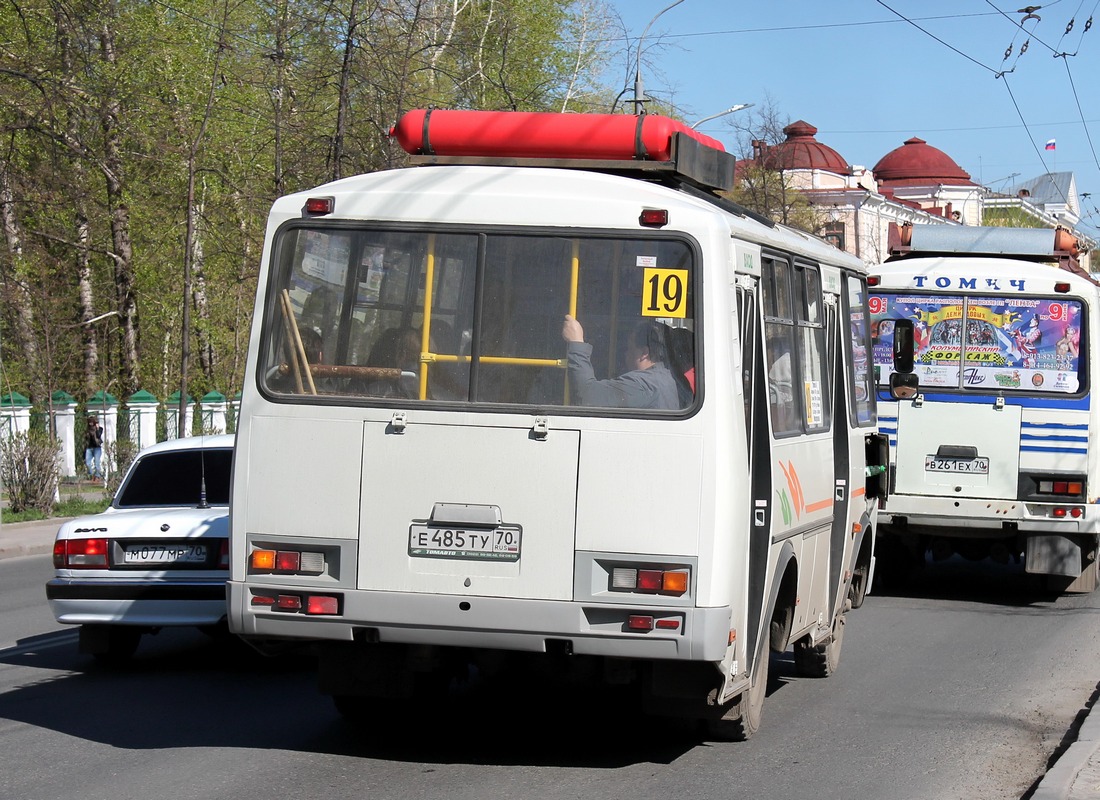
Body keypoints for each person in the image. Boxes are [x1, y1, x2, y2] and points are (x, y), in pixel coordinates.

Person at [561, 315, 680, 410]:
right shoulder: (665, 378)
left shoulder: (644, 385)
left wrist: (576, 342)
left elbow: (586, 396)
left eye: (629, 348)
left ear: (644, 353)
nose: (625, 355)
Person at [84, 416, 104, 481]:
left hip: (97, 448)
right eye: (89, 422)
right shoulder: (87, 429)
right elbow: (86, 438)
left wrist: (97, 429)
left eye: (92, 422)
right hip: (89, 448)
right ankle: (92, 475)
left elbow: (98, 435)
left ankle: (97, 476)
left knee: (97, 462)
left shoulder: (100, 429)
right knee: (88, 462)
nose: (90, 423)